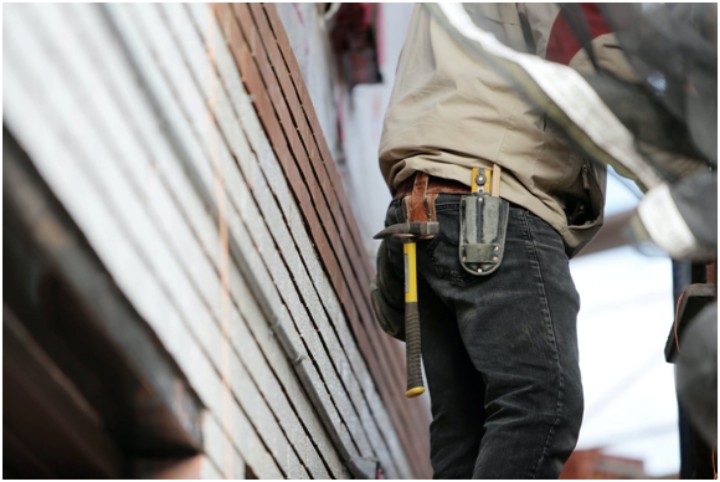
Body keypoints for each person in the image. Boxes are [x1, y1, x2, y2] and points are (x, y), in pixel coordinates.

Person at [372, 4, 640, 478]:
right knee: (542, 402)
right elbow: (598, 67)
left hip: (426, 206)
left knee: (465, 433)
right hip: (491, 205)